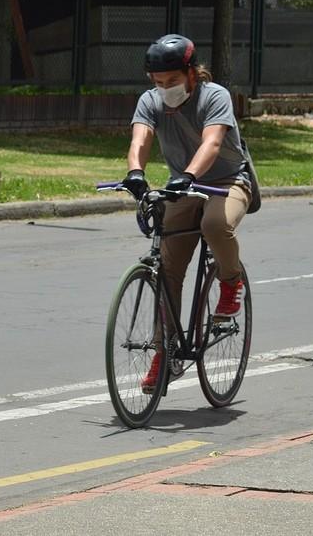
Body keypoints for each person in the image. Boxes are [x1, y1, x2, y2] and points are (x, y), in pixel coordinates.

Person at [120, 34, 252, 393]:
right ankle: (165, 354)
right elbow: (141, 139)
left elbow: (211, 142)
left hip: (226, 181)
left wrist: (191, 175)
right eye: (158, 83)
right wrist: (136, 173)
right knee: (168, 267)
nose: (165, 90)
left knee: (215, 224)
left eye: (173, 82)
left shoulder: (215, 96)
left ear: (192, 73)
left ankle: (230, 281)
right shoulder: (150, 101)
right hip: (182, 185)